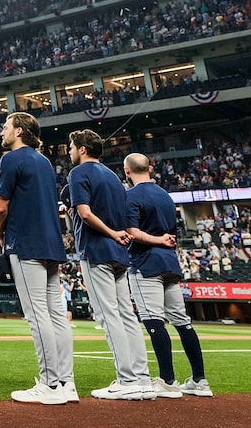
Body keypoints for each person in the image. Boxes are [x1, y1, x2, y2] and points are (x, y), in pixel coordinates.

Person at [0, 112, 76, 404]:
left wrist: (0, 236)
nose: (1, 132)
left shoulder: (11, 159)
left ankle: (50, 384)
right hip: (51, 243)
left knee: (37, 314)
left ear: (18, 130)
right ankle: (67, 383)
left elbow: (0, 208)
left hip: (25, 242)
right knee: (56, 315)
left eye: (5, 127)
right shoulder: (44, 161)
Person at [66, 129, 154, 400]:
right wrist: (118, 234)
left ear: (82, 149)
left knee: (108, 315)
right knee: (127, 315)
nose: (69, 151)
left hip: (97, 249)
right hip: (120, 253)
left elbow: (85, 213)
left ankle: (126, 379)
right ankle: (142, 378)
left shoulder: (78, 173)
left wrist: (111, 233)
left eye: (71, 147)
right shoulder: (115, 176)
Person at [123, 152, 212, 398]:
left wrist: (157, 240)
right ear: (149, 169)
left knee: (153, 320)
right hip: (170, 263)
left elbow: (133, 232)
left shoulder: (130, 196)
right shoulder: (165, 195)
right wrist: (164, 240)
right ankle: (199, 380)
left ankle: (167, 380)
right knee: (182, 321)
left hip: (145, 262)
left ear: (127, 171)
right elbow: (171, 234)